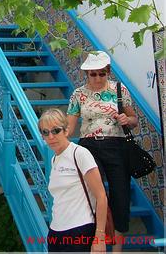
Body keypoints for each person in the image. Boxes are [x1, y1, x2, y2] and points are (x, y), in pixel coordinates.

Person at [67, 50, 138, 252]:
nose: (97, 78)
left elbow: (133, 120)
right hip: (88, 147)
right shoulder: (78, 94)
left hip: (116, 145)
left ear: (108, 72)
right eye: (93, 74)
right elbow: (70, 126)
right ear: (87, 74)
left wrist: (128, 120)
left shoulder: (119, 90)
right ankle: (95, 244)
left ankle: (116, 249)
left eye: (101, 73)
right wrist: (55, 139)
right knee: (93, 194)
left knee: (121, 194)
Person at [39, 108, 108, 253]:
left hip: (80, 230)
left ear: (66, 130)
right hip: (56, 232)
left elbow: (101, 196)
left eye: (56, 130)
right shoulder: (54, 160)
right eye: (45, 132)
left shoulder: (80, 154)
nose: (51, 136)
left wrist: (99, 236)